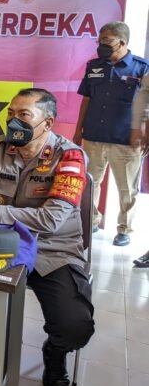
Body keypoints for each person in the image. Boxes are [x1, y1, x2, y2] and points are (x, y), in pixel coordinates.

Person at [0, 88, 94, 386]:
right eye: (10, 114)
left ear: (47, 123)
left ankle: (55, 352)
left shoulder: (69, 157)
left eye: (24, 115)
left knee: (74, 326)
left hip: (51, 250)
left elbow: (50, 220)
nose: (14, 121)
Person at [73, 21, 149, 246]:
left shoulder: (141, 68)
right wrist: (78, 130)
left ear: (122, 42)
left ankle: (124, 229)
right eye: (100, 40)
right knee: (91, 183)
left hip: (126, 139)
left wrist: (144, 132)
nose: (101, 44)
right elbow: (86, 99)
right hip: (94, 135)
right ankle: (92, 221)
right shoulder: (94, 66)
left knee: (127, 188)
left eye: (106, 40)